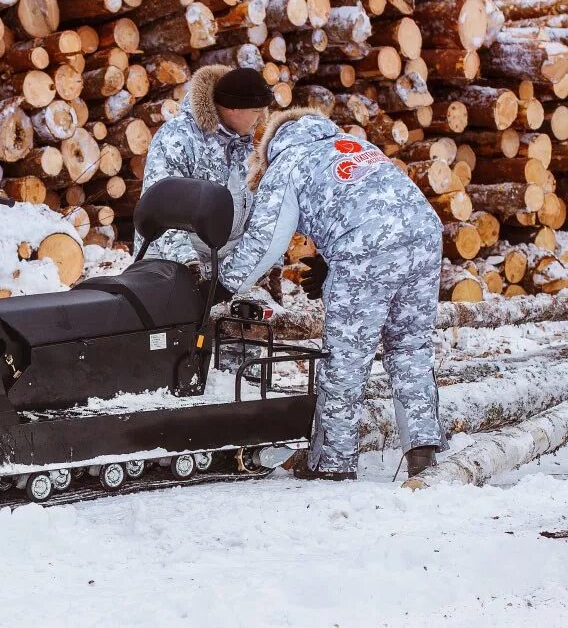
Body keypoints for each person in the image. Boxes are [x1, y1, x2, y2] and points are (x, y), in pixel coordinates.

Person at [217, 107, 447, 481]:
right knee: (411, 347)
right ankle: (422, 453)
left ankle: (333, 462)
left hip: (365, 249)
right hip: (425, 236)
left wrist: (225, 285)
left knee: (346, 358)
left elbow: (265, 243)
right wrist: (330, 262)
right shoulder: (353, 144)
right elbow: (367, 204)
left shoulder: (286, 163)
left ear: (271, 145)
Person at [137, 66, 327, 298]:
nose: (261, 119)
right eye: (257, 111)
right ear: (233, 108)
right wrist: (190, 270)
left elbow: (267, 213)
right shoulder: (178, 138)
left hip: (227, 271)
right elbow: (162, 212)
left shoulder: (251, 144)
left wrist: (269, 267)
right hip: (170, 266)